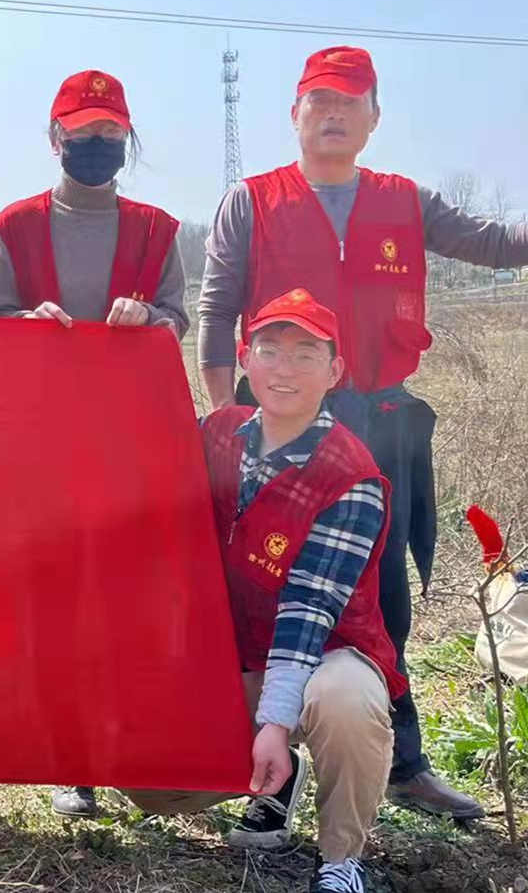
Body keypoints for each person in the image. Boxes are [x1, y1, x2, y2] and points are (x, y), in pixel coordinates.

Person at [195, 45, 528, 819]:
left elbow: (501, 245)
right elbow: (214, 313)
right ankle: (262, 770)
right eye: (319, 101)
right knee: (264, 589)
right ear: (294, 114)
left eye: (349, 102)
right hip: (273, 424)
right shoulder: (251, 201)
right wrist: (226, 420)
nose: (333, 115)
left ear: (373, 118)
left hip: (380, 424)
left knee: (381, 599)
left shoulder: (404, 201)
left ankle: (401, 762)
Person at [126, 288, 404, 893]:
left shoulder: (349, 476)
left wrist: (273, 722)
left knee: (346, 700)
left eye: (306, 355)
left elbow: (307, 614)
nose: (285, 370)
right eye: (270, 351)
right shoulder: (217, 433)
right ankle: (278, 779)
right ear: (244, 359)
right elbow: (138, 467)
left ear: (334, 371)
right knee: (150, 783)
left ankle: (341, 860)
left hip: (325, 653)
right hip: (231, 657)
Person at [0, 68, 187, 819]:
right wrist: (25, 323)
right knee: (57, 599)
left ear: (126, 138)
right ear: (55, 137)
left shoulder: (158, 230)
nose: (96, 142)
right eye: (82, 130)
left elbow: (178, 317)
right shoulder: (13, 227)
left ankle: (125, 742)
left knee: (124, 596)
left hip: (130, 445)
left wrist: (151, 319)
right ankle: (70, 759)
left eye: (109, 131)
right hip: (41, 444)